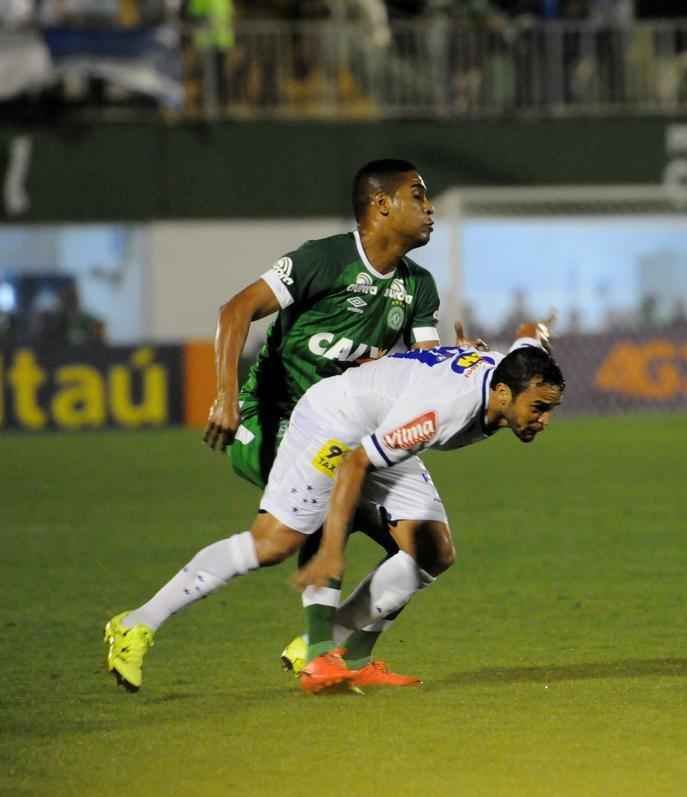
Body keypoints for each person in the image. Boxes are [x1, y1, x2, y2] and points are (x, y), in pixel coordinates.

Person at [105, 325, 564, 694]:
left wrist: (540, 329)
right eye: (539, 408)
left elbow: (527, 336)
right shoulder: (443, 412)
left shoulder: (513, 370)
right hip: (335, 425)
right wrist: (330, 551)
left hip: (381, 430)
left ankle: (342, 651)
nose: (544, 420)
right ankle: (137, 623)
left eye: (550, 410)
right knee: (273, 543)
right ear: (502, 393)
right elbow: (355, 463)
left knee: (433, 550)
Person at [203, 157, 448, 679]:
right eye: (418, 196)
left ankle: (351, 654)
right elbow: (235, 310)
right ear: (382, 205)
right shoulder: (324, 260)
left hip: (351, 425)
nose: (430, 209)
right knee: (329, 480)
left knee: (430, 548)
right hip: (270, 417)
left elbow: (426, 370)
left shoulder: (418, 287)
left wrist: (456, 366)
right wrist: (224, 397)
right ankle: (319, 655)